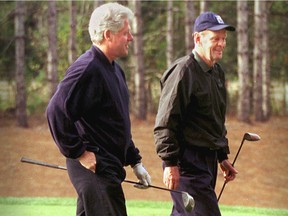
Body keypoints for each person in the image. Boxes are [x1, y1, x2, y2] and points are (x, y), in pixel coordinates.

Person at [46, 3, 151, 216]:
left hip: (108, 167)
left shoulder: (115, 70)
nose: (131, 38)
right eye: (125, 33)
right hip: (96, 169)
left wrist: (135, 161)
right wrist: (79, 152)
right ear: (108, 35)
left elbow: (116, 124)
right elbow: (55, 111)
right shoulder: (88, 68)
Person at [154, 12, 238, 216]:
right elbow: (165, 123)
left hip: (207, 161)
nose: (221, 44)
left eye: (223, 39)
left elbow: (214, 119)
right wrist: (170, 163)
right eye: (215, 38)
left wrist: (221, 156)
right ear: (198, 38)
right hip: (186, 164)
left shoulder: (217, 73)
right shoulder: (183, 72)